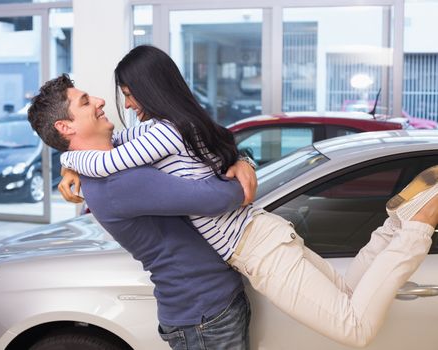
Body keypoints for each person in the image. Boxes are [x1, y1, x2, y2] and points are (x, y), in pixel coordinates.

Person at [56, 45, 438, 348]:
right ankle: (397, 224)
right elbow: (112, 145)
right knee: (353, 293)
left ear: (147, 89)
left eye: (127, 94)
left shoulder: (160, 132)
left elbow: (111, 160)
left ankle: (415, 227)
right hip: (261, 235)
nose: (124, 105)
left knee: (355, 328)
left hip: (256, 248)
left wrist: (69, 156)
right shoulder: (176, 125)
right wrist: (71, 163)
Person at [28, 76, 255, 350]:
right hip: (204, 311)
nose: (101, 102)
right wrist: (242, 165)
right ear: (65, 126)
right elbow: (224, 197)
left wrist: (69, 162)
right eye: (86, 102)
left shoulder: (110, 165)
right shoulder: (119, 183)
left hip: (204, 306)